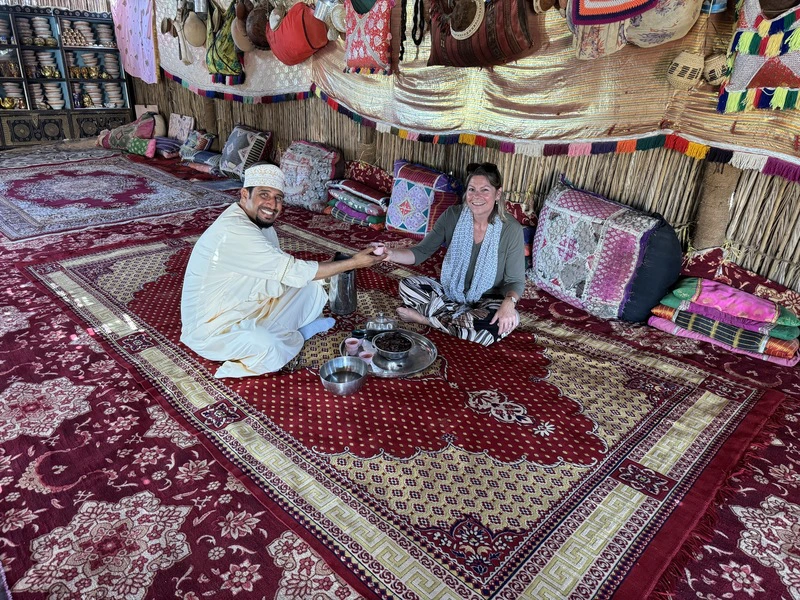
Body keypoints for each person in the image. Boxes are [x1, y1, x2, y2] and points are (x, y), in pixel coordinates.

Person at [180, 162, 386, 378]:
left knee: (313, 286)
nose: (273, 203)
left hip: (247, 306)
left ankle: (290, 333)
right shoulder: (235, 230)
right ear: (244, 194)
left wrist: (331, 267)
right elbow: (292, 270)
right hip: (214, 329)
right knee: (268, 345)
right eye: (264, 194)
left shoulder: (256, 222)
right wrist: (354, 262)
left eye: (278, 197)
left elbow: (280, 273)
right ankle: (297, 335)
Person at [380, 162, 525, 346]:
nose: (476, 196)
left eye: (485, 190)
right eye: (472, 189)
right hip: (451, 292)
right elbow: (421, 252)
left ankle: (426, 319)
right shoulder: (452, 216)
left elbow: (515, 280)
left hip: (489, 300)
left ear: (497, 194)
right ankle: (459, 321)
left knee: (498, 324)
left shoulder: (511, 229)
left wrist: (509, 303)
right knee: (408, 285)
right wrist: (389, 254)